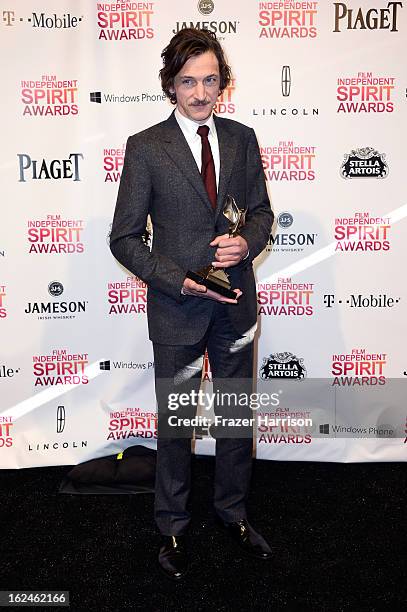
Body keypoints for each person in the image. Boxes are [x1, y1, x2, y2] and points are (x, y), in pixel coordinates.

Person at [110, 27, 274, 580]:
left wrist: (247, 242)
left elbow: (262, 214)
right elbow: (125, 237)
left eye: (209, 80)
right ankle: (173, 529)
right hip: (177, 308)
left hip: (234, 305)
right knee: (175, 426)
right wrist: (177, 278)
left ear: (222, 83)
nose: (200, 93)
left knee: (233, 418)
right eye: (188, 81)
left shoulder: (242, 138)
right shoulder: (146, 146)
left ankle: (233, 514)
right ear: (170, 84)